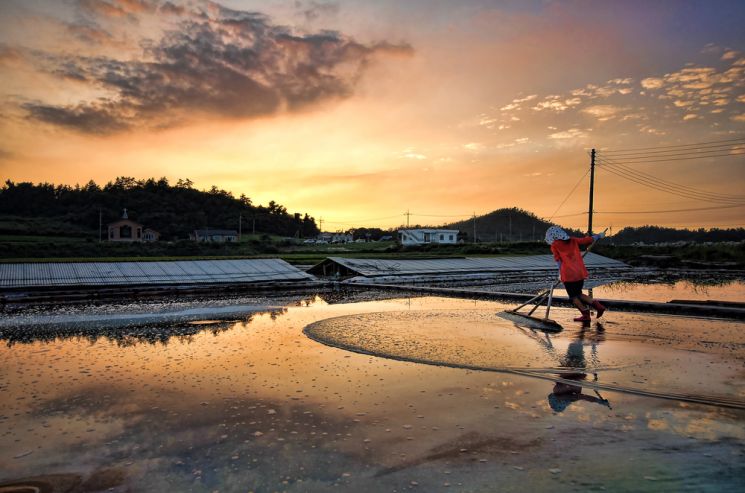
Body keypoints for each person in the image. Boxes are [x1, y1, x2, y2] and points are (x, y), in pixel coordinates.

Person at [545, 226, 606, 322]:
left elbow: (559, 261)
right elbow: (586, 240)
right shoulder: (573, 240)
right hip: (579, 272)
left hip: (568, 274)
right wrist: (599, 236)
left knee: (573, 297)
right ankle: (598, 306)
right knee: (579, 294)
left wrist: (560, 274)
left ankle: (585, 315)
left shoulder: (554, 245)